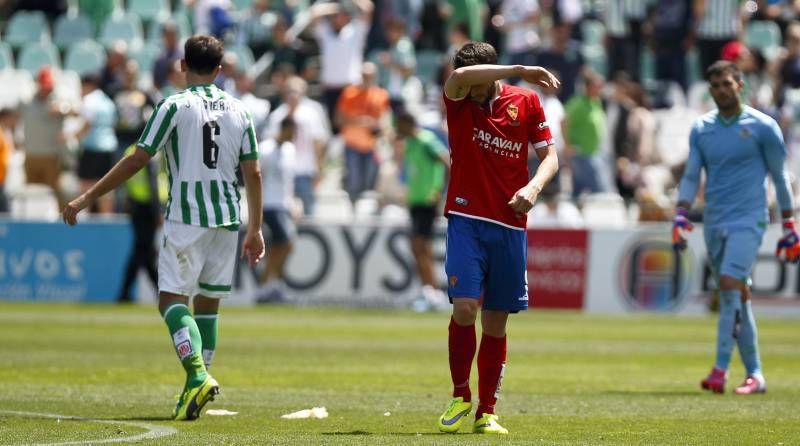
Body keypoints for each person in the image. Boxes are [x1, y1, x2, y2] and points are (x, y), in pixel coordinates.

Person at [62, 35, 265, 420]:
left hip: (187, 217)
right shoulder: (240, 111)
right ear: (220, 71)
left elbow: (138, 158)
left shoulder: (173, 105)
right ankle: (195, 387)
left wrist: (86, 197)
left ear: (182, 66)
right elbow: (253, 172)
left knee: (170, 301)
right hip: (227, 219)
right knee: (208, 305)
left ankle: (199, 375)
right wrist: (255, 229)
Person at [436, 42, 559, 434]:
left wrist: (534, 189)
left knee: (496, 321)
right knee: (466, 308)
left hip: (509, 224)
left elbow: (550, 157)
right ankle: (460, 395)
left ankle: (486, 412)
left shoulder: (526, 102)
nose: (470, 91)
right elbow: (458, 79)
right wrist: (521, 66)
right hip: (465, 218)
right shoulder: (458, 97)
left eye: (479, 83)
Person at [673, 61, 799, 396]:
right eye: (715, 86)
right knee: (737, 297)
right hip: (714, 220)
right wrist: (680, 213)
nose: (721, 91)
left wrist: (789, 222)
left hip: (750, 218)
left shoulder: (763, 126)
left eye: (727, 84)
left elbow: (780, 176)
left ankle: (719, 370)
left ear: (740, 84)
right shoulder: (702, 128)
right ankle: (755, 374)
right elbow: (691, 174)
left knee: (729, 287)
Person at [394, 108, 450, 309]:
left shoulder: (426, 140)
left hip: (427, 201)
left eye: (399, 125)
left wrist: (438, 189)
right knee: (418, 247)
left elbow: (446, 161)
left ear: (407, 123)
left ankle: (433, 293)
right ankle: (430, 291)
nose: (397, 129)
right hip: (416, 201)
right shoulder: (409, 143)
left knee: (420, 245)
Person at [257, 117, 297, 304]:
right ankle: (268, 286)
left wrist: (292, 203)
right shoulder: (265, 149)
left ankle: (272, 287)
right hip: (270, 205)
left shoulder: (290, 151)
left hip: (283, 205)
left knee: (278, 248)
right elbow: (256, 178)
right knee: (287, 244)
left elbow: (289, 181)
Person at [75, 73, 118, 214]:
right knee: (106, 188)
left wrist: (73, 136)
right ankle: (106, 220)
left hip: (92, 150)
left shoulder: (89, 100)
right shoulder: (108, 102)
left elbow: (87, 124)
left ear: (87, 85)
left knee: (86, 186)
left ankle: (83, 222)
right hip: (109, 149)